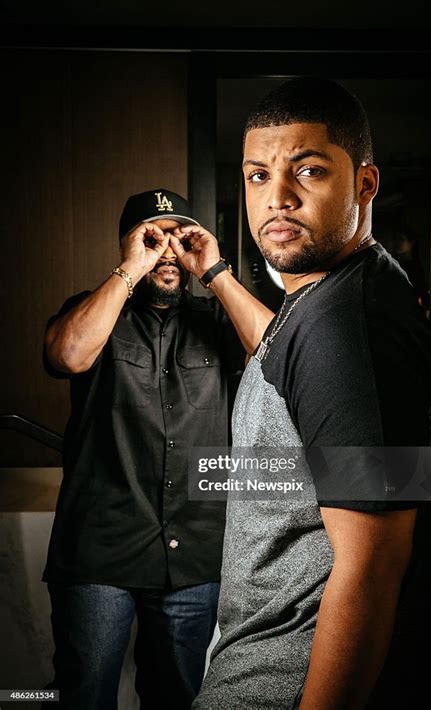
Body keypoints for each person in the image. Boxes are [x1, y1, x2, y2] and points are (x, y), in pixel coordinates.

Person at [165, 79, 431, 709]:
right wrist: (215, 273)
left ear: (365, 184)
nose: (277, 199)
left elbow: (372, 567)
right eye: (257, 176)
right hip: (260, 658)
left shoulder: (348, 332)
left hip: (283, 680)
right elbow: (284, 362)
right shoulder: (326, 302)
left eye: (308, 171)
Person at [42, 188, 243, 710]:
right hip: (99, 551)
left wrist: (215, 270)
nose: (168, 250)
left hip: (194, 555)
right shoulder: (92, 312)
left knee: (177, 698)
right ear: (129, 244)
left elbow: (279, 352)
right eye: (155, 237)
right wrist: (131, 267)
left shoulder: (217, 322)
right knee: (82, 694)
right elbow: (68, 355)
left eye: (179, 236)